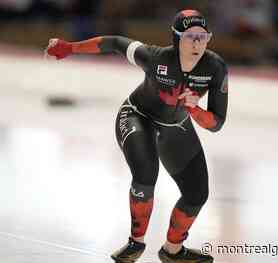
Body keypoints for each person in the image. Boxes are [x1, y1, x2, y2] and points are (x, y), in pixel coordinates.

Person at [45, 9, 228, 263]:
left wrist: (194, 109)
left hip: (176, 124)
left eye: (202, 36)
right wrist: (69, 48)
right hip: (137, 116)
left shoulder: (215, 67)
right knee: (145, 175)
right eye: (189, 37)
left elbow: (217, 123)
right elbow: (116, 43)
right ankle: (136, 242)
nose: (197, 43)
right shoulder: (155, 57)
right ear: (176, 39)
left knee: (197, 194)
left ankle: (172, 250)